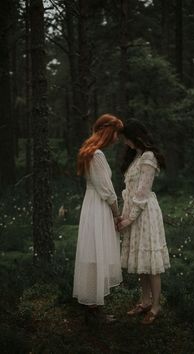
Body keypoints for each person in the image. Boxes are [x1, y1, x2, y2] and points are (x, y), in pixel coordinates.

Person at [118, 119, 170, 325]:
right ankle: (145, 300)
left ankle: (156, 306)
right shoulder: (137, 156)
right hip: (134, 213)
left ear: (135, 137)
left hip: (145, 214)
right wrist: (125, 215)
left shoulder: (148, 157)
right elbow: (129, 192)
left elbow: (142, 192)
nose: (125, 143)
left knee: (151, 263)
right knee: (141, 262)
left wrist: (128, 219)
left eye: (126, 138)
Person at [73, 114, 123, 309]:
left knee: (93, 253)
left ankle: (92, 305)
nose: (117, 138)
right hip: (99, 206)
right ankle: (94, 306)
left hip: (90, 204)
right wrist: (116, 213)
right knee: (97, 253)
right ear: (108, 132)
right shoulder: (98, 155)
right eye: (116, 133)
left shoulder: (89, 151)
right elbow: (107, 191)